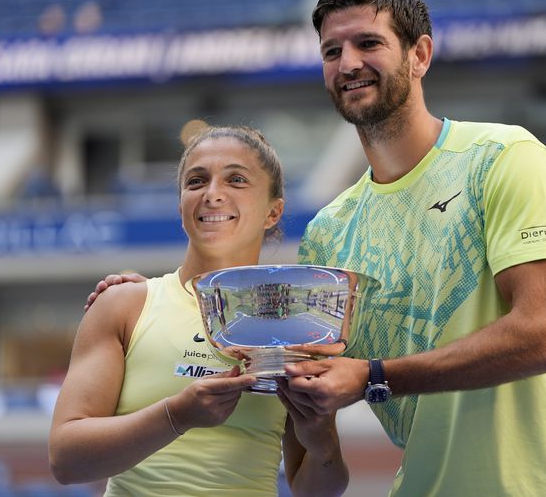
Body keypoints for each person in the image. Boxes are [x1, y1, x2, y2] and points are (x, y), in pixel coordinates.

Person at [87, 0, 546, 496]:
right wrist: (161, 296)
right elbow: (290, 366)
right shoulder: (329, 235)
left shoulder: (502, 159)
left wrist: (374, 376)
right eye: (332, 50)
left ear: (420, 55)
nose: (349, 62)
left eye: (369, 43)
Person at [50, 125, 348, 496]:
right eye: (196, 181)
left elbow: (317, 489)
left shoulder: (299, 327)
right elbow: (65, 460)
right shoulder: (125, 305)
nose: (212, 195)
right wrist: (176, 416)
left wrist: (323, 443)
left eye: (236, 179)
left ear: (273, 212)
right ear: (181, 207)